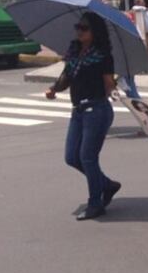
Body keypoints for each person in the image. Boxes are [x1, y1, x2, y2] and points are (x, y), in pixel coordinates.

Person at [44, 13, 122, 221]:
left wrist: (115, 87)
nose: (79, 31)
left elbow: (108, 84)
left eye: (84, 28)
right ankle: (107, 185)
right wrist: (54, 89)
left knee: (87, 157)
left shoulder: (103, 56)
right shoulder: (75, 51)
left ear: (95, 31)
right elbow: (66, 76)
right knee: (72, 157)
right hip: (78, 110)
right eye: (78, 27)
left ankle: (95, 203)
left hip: (97, 110)